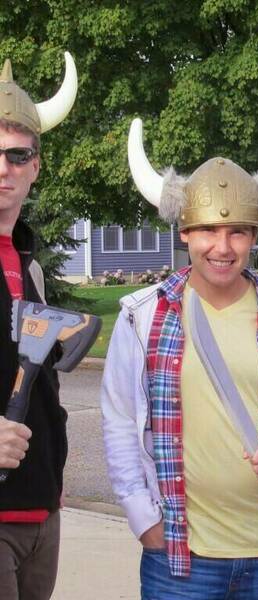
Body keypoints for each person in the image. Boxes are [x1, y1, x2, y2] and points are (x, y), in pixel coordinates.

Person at [101, 111, 258, 600]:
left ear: (254, 236)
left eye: (238, 233)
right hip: (179, 555)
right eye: (207, 232)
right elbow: (119, 420)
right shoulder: (141, 316)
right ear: (184, 233)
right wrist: (142, 518)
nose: (222, 247)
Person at [0, 53, 77, 600]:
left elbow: (44, 386)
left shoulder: (28, 264)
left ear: (36, 166)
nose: (2, 168)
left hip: (39, 513)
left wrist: (54, 475)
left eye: (16, 154)